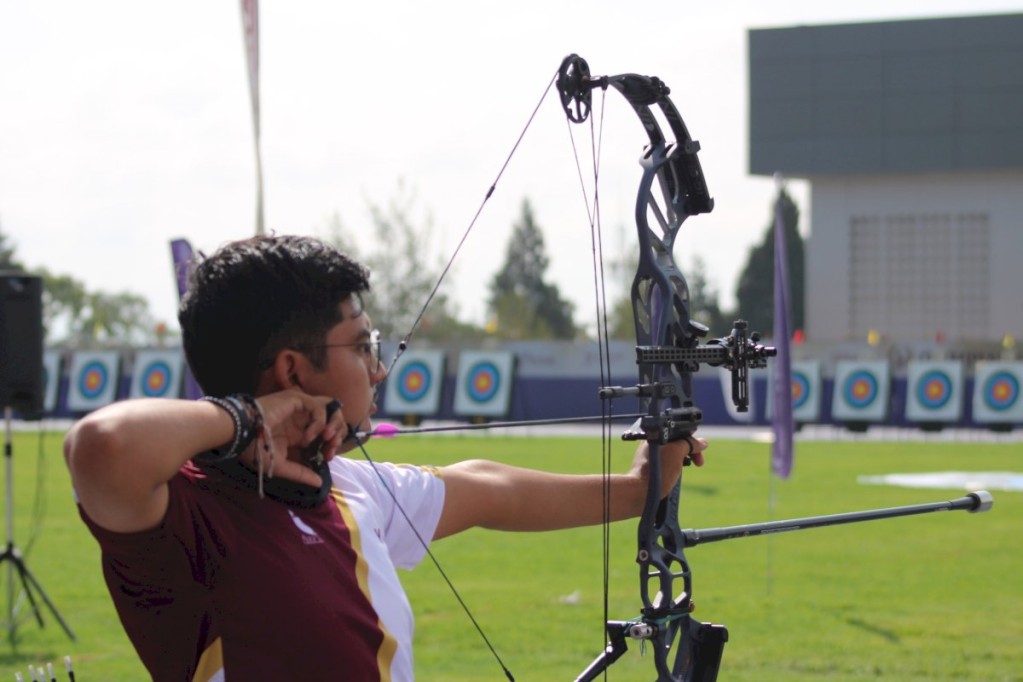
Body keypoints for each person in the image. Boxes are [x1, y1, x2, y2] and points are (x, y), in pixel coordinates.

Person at [64, 234, 706, 682]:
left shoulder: (346, 488)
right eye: (361, 344)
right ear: (292, 370)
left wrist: (641, 484)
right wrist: (250, 416)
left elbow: (490, 488)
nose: (377, 369)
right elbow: (101, 444)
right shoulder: (188, 511)